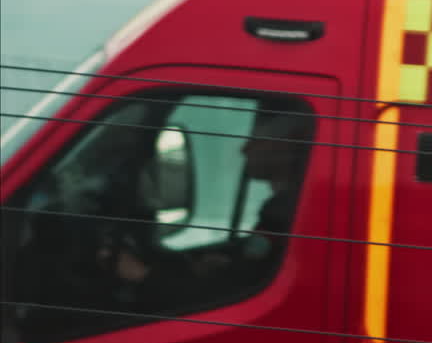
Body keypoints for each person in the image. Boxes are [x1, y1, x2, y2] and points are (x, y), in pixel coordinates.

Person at [103, 109, 312, 307]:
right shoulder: (282, 209)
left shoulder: (284, 216)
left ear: (288, 146)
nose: (244, 149)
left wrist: (142, 275)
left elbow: (237, 298)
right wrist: (226, 264)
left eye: (257, 140)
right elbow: (249, 273)